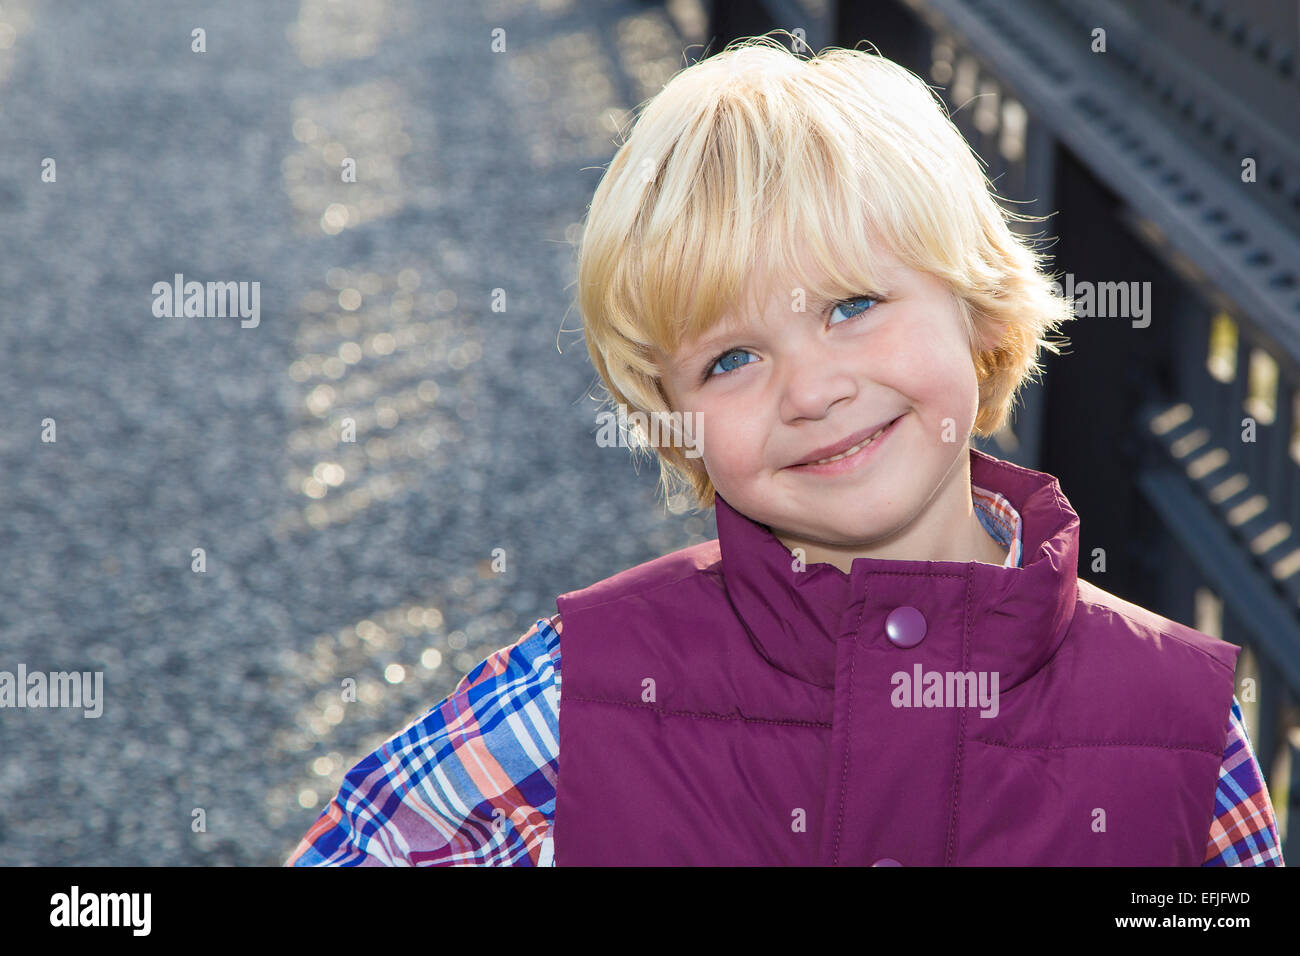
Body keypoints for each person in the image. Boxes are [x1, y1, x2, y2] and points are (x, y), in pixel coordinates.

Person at [286, 35, 1283, 866]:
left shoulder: (1177, 731)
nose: (810, 390)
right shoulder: (572, 699)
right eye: (731, 359)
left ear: (979, 313)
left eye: (852, 305)